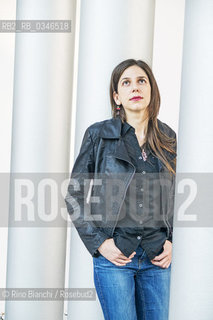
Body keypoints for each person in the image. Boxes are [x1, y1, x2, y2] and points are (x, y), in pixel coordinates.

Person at [65, 59, 176, 320]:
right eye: (126, 83)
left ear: (152, 89)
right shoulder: (98, 135)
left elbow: (176, 195)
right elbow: (74, 195)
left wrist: (172, 239)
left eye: (141, 81)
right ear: (117, 96)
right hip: (115, 258)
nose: (134, 87)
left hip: (157, 258)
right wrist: (100, 243)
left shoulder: (167, 137)